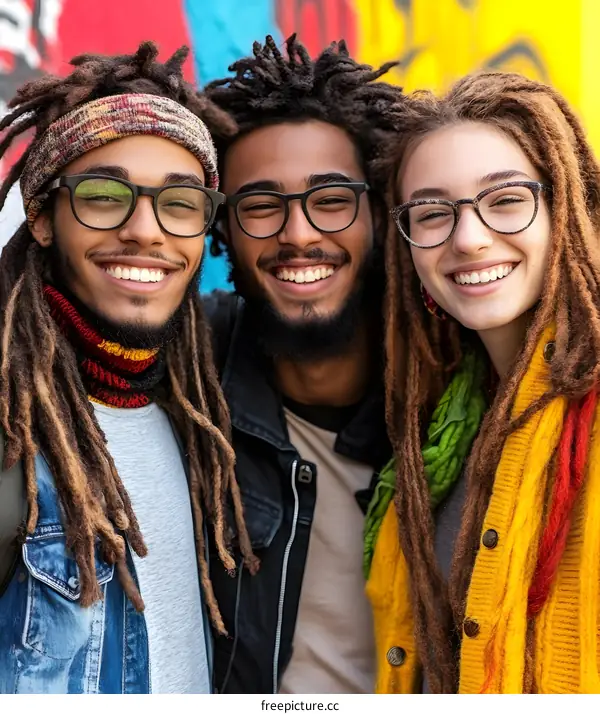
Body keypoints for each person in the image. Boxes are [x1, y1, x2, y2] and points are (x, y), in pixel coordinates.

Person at [0, 41, 254, 694]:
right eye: (106, 196)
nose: (146, 229)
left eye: (180, 204)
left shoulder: (209, 414)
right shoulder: (13, 427)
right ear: (42, 215)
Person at [371, 71, 600, 693]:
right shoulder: (439, 434)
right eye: (432, 212)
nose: (469, 239)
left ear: (567, 206)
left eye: (505, 200)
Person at [197, 34, 404, 693]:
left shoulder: (458, 393)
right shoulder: (187, 376)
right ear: (220, 230)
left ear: (377, 211)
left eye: (332, 199)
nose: (299, 234)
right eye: (261, 206)